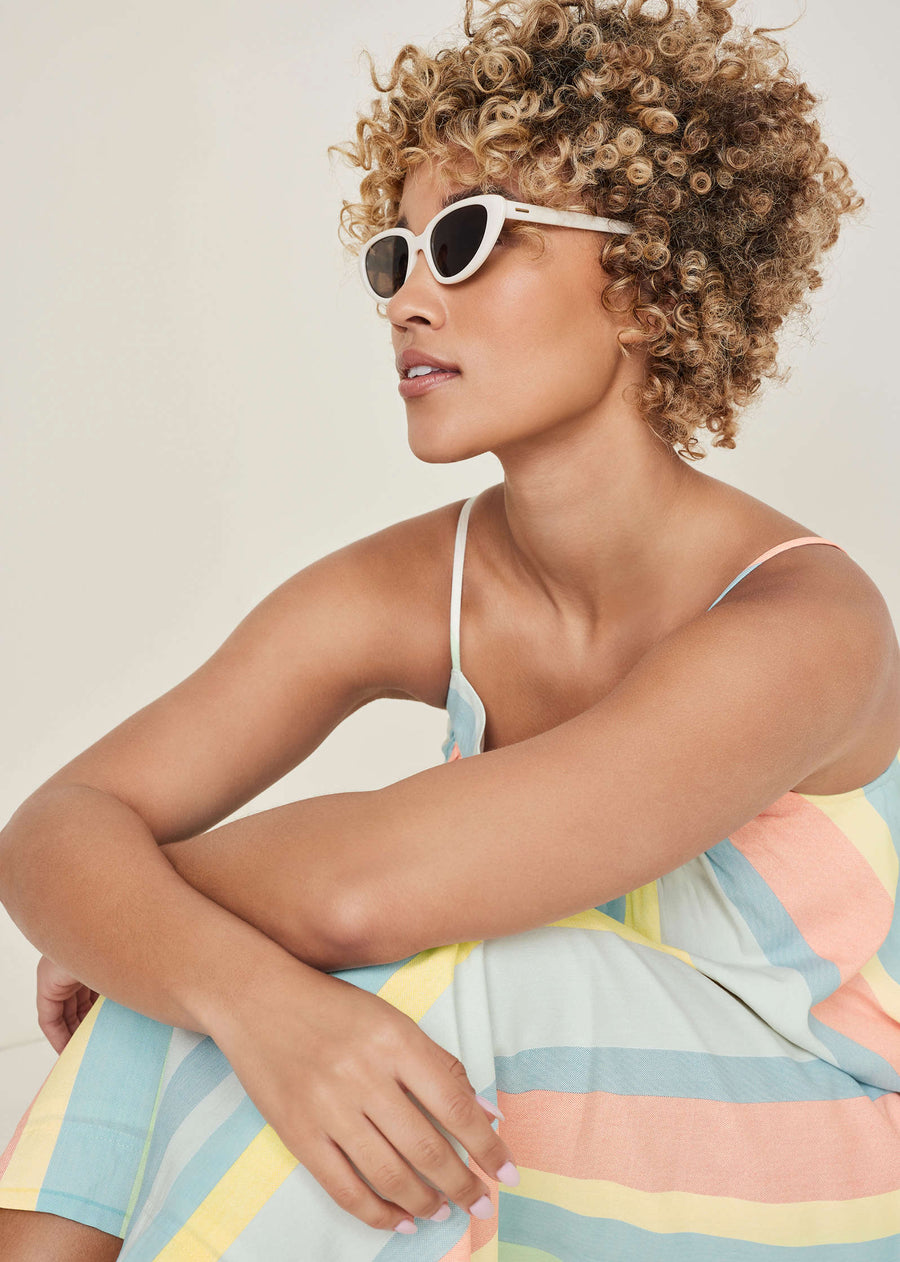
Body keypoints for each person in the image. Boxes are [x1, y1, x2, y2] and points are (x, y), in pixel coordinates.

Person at [1, 0, 898, 1257]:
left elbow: (356, 896)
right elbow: (50, 827)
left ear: (647, 289)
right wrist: (218, 978)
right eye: (396, 255)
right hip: (559, 1128)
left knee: (435, 974)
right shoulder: (428, 577)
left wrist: (134, 912)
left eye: (469, 240)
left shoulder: (804, 627)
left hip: (826, 1151)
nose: (409, 300)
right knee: (230, 995)